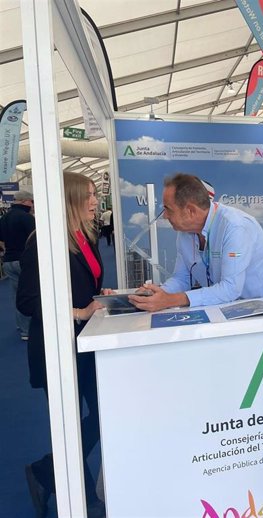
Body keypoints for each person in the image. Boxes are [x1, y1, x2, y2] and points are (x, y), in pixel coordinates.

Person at [17, 172, 107, 518]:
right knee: (72, 421)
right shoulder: (44, 243)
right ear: (69, 199)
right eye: (88, 195)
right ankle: (73, 488)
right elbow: (26, 301)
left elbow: (86, 282)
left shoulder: (86, 236)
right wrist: (79, 311)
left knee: (98, 415)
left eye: (95, 194)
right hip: (55, 350)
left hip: (83, 346)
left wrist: (101, 297)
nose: (95, 201)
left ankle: (50, 473)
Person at [129, 173, 263, 312]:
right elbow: (182, 278)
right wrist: (155, 294)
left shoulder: (235, 227)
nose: (164, 216)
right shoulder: (185, 232)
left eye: (168, 209)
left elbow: (230, 288)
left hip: (260, 310)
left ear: (190, 211)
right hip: (223, 308)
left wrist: (170, 300)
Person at [0, 189, 35, 340]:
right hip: (25, 261)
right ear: (25, 201)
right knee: (31, 293)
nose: (33, 205)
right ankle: (30, 327)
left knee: (16, 295)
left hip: (8, 260)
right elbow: (35, 239)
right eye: (32, 202)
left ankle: (23, 328)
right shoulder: (27, 218)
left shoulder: (4, 217)